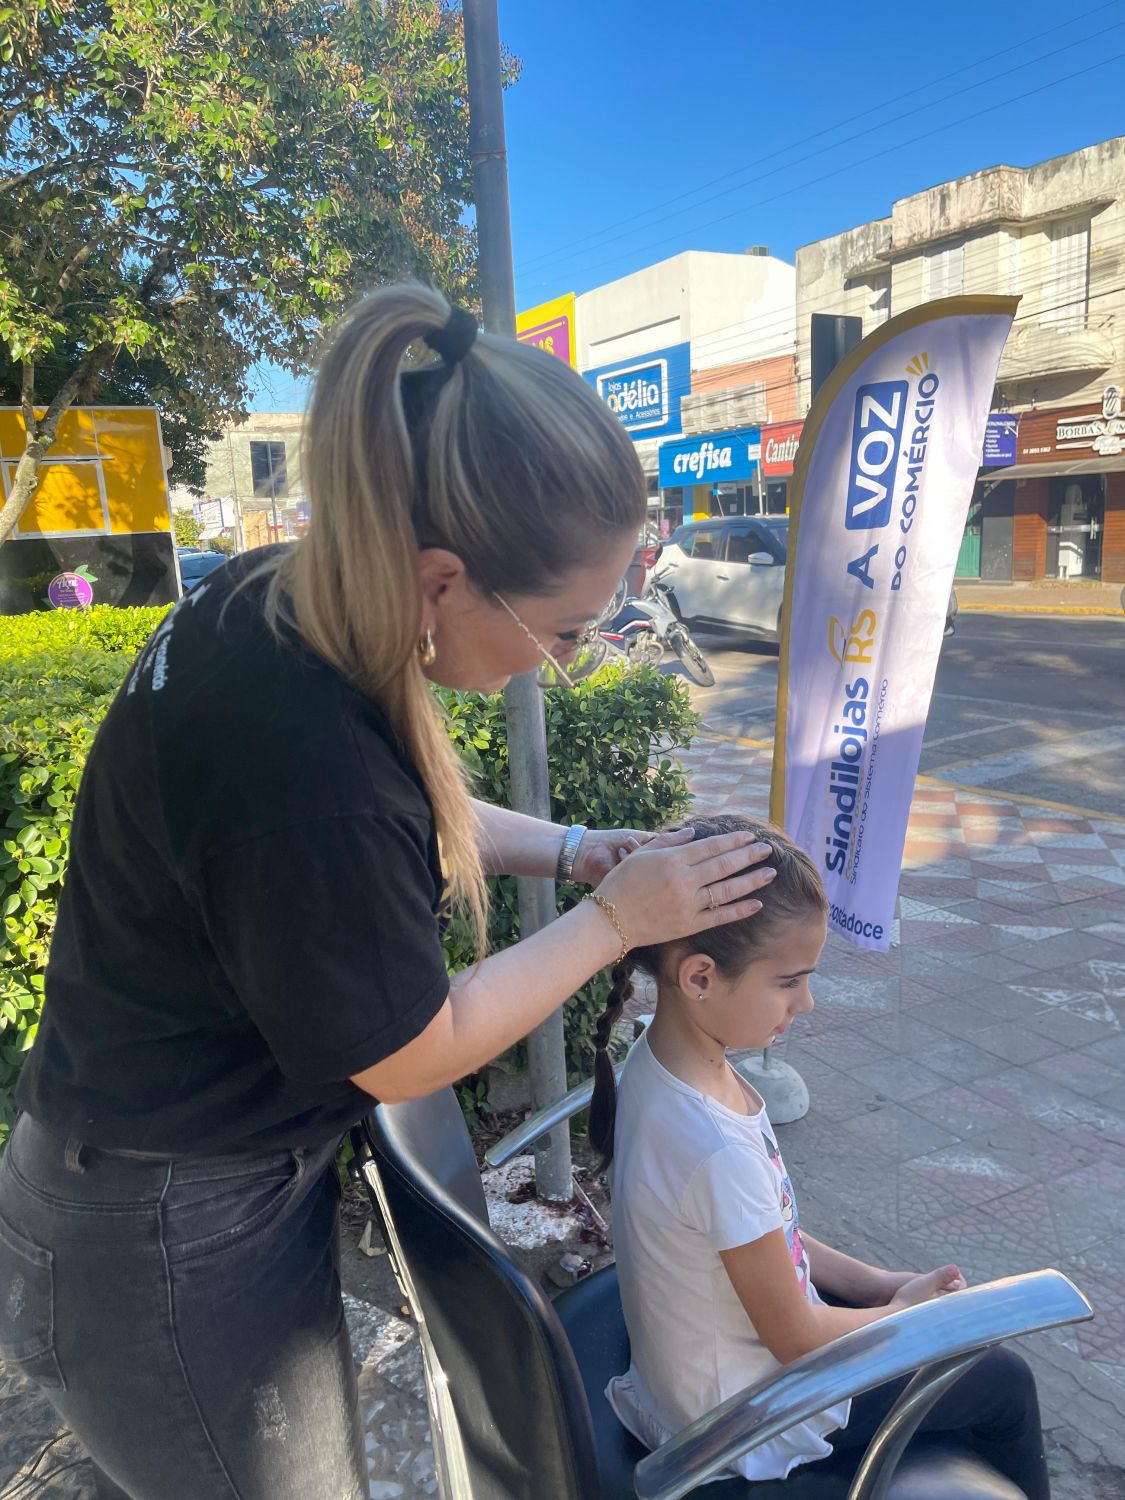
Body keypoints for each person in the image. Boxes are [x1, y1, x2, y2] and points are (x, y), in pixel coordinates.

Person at [0, 285, 778, 1500]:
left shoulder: (282, 602)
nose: (567, 663)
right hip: (165, 1233)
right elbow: (411, 1051)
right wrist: (616, 924)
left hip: (159, 1186)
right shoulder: (300, 752)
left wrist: (579, 849)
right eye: (566, 631)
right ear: (442, 582)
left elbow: (413, 817)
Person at [590, 814, 1050, 1499]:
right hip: (743, 1423)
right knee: (1002, 1381)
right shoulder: (714, 1145)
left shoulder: (660, 1064)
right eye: (787, 981)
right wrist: (909, 1314)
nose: (805, 1002)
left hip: (687, 1384)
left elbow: (760, 1233)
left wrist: (873, 1283)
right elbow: (798, 1340)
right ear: (698, 977)